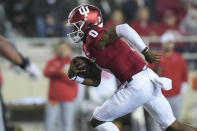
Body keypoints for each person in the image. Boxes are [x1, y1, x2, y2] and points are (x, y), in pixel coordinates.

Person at [66, 5, 197, 131]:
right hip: (148, 80)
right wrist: (74, 76)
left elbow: (124, 28)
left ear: (87, 23)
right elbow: (96, 81)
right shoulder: (88, 45)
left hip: (135, 84)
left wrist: (146, 51)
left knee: (98, 120)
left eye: (76, 25)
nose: (73, 30)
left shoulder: (93, 34)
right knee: (173, 126)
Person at [147, 31, 189, 131]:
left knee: (175, 122)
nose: (169, 44)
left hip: (176, 96)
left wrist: (182, 92)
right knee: (156, 124)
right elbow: (148, 71)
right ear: (163, 43)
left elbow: (185, 76)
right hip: (160, 97)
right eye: (167, 42)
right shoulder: (157, 56)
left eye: (171, 42)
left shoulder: (179, 58)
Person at [44, 41, 78, 131]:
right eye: (61, 48)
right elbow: (46, 72)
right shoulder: (52, 61)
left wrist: (55, 72)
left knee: (67, 124)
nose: (62, 51)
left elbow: (74, 80)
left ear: (70, 50)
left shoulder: (74, 63)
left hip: (68, 99)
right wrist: (61, 71)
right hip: (53, 98)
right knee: (49, 123)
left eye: (65, 49)